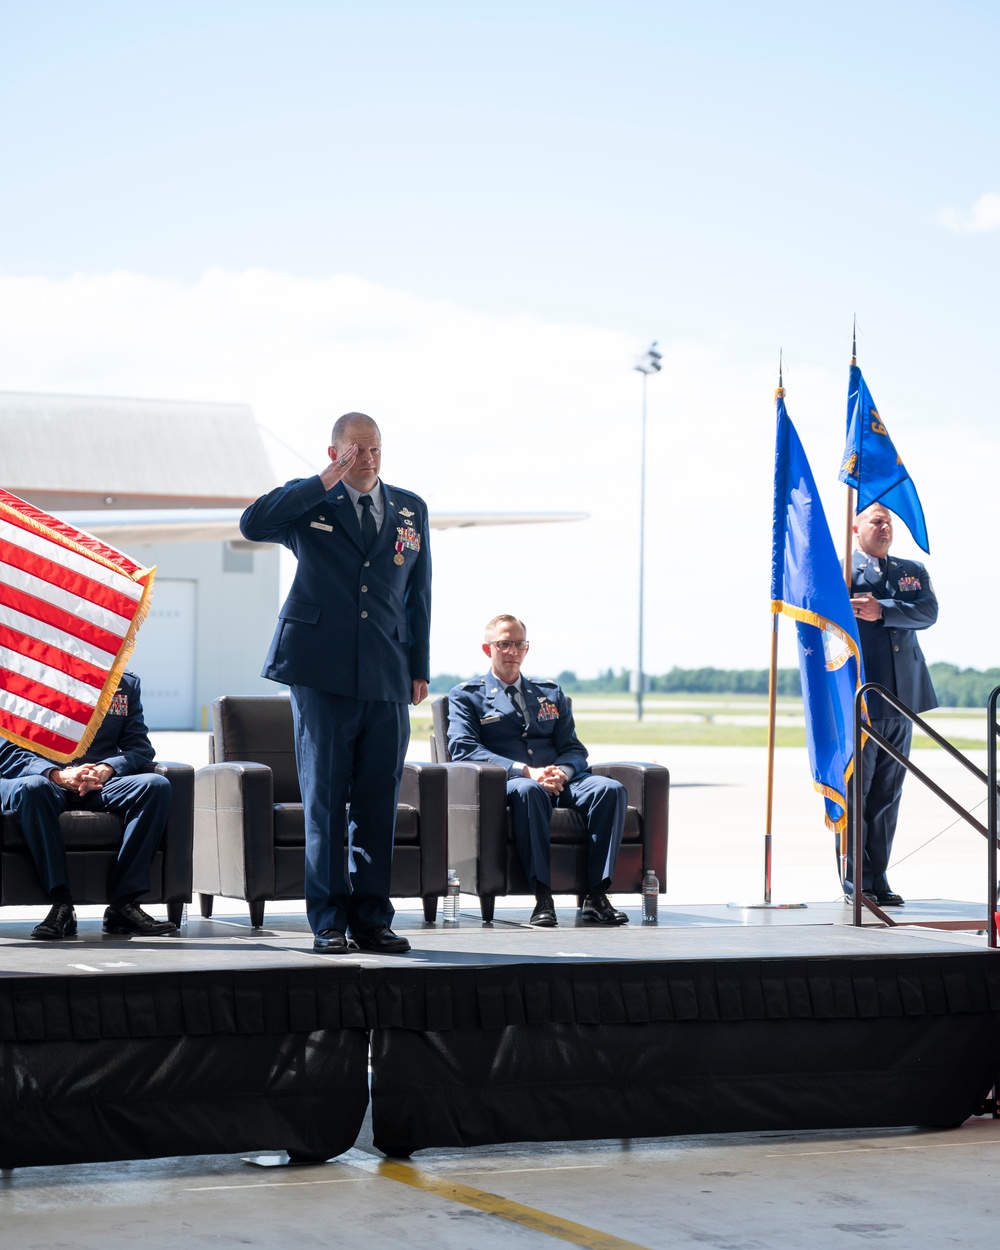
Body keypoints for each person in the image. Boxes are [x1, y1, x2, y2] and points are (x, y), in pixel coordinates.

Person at [240, 412, 431, 954]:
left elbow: (418, 592)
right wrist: (322, 481)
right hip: (320, 672)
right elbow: (253, 524)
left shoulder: (410, 507)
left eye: (374, 449)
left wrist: (418, 665)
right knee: (324, 800)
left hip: (388, 673)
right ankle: (327, 922)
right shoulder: (311, 502)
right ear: (334, 453)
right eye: (355, 451)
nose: (367, 459)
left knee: (378, 801)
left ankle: (373, 919)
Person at [447, 614, 628, 926]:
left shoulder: (549, 692)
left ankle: (596, 896)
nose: (512, 651)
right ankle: (543, 897)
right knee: (529, 791)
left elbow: (573, 748)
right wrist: (526, 771)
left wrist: (564, 772)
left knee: (610, 790)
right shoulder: (466, 696)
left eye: (519, 644)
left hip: (558, 778)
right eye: (504, 644)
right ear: (487, 648)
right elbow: (464, 748)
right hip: (510, 782)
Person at [0, 670, 176, 939]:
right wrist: (57, 775)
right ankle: (61, 904)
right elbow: (7, 749)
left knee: (155, 786)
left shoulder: (124, 683)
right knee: (34, 789)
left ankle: (123, 904)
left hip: (96, 781)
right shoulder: (23, 671)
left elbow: (138, 747)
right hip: (38, 777)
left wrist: (108, 767)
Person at [848, 503, 938, 906]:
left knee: (887, 793)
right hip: (861, 697)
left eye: (889, 521)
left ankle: (879, 877)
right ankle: (856, 880)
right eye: (876, 520)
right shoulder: (841, 572)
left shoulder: (910, 571)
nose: (885, 526)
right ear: (856, 526)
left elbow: (927, 612)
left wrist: (882, 609)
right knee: (857, 792)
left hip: (901, 699)